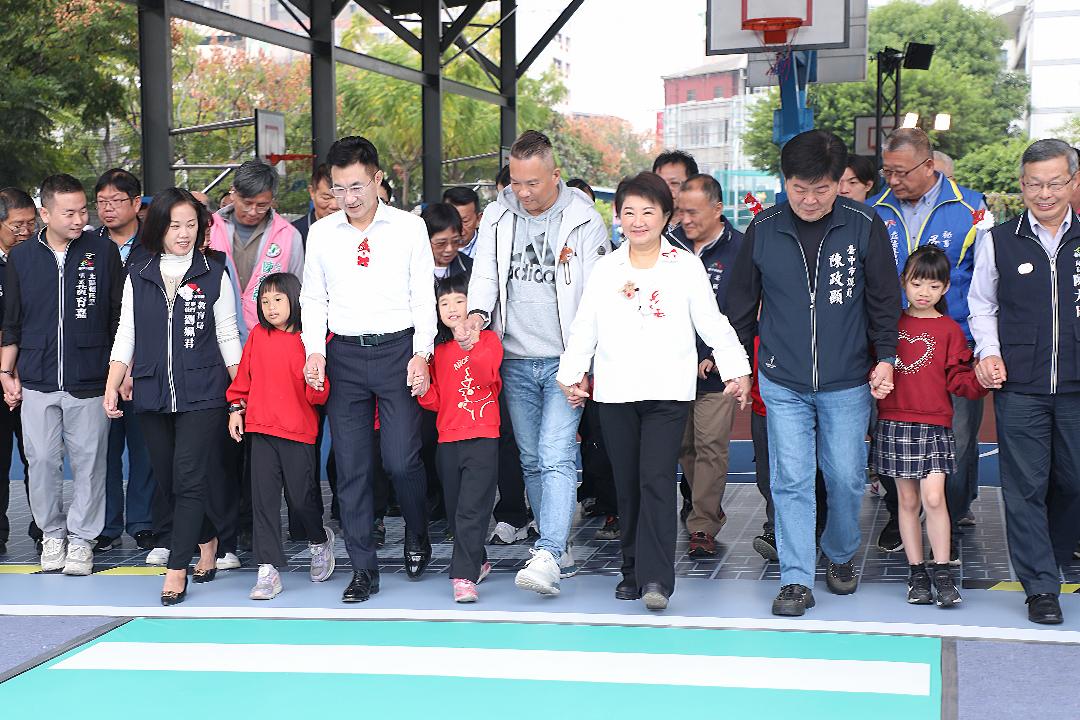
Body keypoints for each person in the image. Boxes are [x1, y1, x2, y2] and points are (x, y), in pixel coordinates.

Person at [557, 172, 751, 610]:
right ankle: (631, 570)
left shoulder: (684, 266)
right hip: (616, 392)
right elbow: (586, 326)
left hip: (668, 392)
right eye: (629, 212)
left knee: (657, 481)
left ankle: (657, 578)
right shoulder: (607, 268)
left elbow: (712, 322)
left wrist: (737, 369)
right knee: (627, 485)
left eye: (648, 211)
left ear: (666, 216)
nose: (638, 220)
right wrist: (572, 373)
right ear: (618, 216)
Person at [727, 130, 901, 617]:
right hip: (782, 379)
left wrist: (886, 356)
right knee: (791, 480)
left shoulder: (863, 224)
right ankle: (795, 578)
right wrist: (740, 367)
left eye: (821, 189)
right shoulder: (764, 227)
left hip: (847, 379)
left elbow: (884, 299)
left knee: (845, 477)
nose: (808, 200)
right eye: (798, 189)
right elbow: (740, 305)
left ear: (839, 182)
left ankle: (840, 552)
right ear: (785, 182)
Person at [461, 130, 610, 596]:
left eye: (532, 183)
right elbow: (485, 274)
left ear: (555, 175)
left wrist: (584, 363)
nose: (522, 193)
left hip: (565, 362)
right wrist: (477, 315)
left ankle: (547, 550)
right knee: (530, 457)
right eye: (516, 182)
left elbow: (596, 298)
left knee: (555, 453)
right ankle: (556, 547)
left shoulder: (585, 220)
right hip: (515, 359)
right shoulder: (497, 214)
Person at [301, 135, 437, 603]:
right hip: (344, 356)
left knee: (401, 459)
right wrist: (314, 351)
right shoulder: (322, 233)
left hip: (399, 352)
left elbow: (423, 295)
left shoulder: (408, 228)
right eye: (338, 189)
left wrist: (422, 352)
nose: (348, 198)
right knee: (352, 467)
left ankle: (417, 530)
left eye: (357, 186)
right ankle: (363, 569)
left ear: (378, 179)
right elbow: (313, 298)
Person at [104, 187, 242, 605]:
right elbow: (126, 332)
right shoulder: (138, 271)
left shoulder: (214, 271)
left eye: (191, 225)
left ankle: (177, 567)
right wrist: (112, 382)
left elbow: (228, 335)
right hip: (151, 392)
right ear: (159, 228)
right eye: (175, 225)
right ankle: (207, 537)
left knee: (189, 477)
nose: (184, 233)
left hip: (203, 393)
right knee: (168, 482)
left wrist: (239, 394)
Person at [969, 138, 1080, 625]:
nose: (1045, 194)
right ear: (1021, 186)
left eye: (1055, 183)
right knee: (1024, 487)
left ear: (1073, 182)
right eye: (1034, 184)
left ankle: (1052, 553)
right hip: (1020, 385)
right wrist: (989, 352)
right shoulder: (999, 239)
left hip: (1077, 384)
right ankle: (1040, 586)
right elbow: (982, 304)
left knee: (1073, 480)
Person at [869, 128, 989, 559]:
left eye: (901, 172)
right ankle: (898, 514)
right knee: (891, 434)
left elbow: (986, 279)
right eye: (887, 171)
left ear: (929, 165)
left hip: (953, 344)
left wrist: (983, 346)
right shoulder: (875, 210)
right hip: (894, 346)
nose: (892, 180)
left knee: (957, 440)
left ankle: (950, 519)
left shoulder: (971, 208)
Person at [0, 175, 123, 576]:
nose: (79, 219)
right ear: (45, 213)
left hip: (90, 376)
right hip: (36, 376)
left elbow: (118, 316)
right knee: (40, 461)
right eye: (69, 213)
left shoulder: (102, 251)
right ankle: (52, 534)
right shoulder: (22, 257)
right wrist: (6, 371)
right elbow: (12, 322)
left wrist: (119, 372)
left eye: (83, 211)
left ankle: (83, 539)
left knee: (90, 463)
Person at [872, 246, 987, 608]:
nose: (924, 292)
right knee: (907, 501)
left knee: (934, 498)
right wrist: (874, 382)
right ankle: (916, 572)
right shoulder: (889, 326)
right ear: (903, 282)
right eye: (916, 283)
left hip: (935, 425)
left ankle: (942, 571)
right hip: (895, 422)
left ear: (946, 288)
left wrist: (982, 380)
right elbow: (873, 367)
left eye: (934, 286)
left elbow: (959, 379)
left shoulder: (950, 330)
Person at [226, 272, 335, 600]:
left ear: (295, 301)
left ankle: (319, 541)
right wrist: (236, 409)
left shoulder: (311, 340)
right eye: (264, 301)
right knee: (263, 501)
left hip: (299, 431)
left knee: (302, 500)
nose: (270, 307)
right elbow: (243, 380)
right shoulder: (258, 335)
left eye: (277, 300)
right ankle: (268, 570)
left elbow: (320, 394)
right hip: (260, 429)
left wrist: (316, 384)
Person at [668, 174, 744, 557]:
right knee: (685, 446)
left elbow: (744, 311)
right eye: (681, 211)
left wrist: (719, 355)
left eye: (693, 212)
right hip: (674, 369)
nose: (685, 219)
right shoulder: (668, 246)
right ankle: (708, 507)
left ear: (717, 209)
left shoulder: (740, 250)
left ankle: (702, 525)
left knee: (711, 445)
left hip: (718, 372)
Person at [418, 274, 503, 602]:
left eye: (460, 300)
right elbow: (436, 401)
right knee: (456, 512)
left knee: (471, 510)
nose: (452, 308)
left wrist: (471, 345)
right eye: (444, 303)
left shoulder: (489, 341)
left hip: (482, 436)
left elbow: (486, 377)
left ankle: (463, 576)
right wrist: (423, 390)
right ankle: (478, 561)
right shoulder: (437, 350)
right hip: (448, 441)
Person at [93, 168, 156, 554]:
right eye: (101, 202)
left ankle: (144, 522)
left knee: (144, 447)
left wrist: (132, 365)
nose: (108, 209)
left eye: (116, 201)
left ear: (136, 203)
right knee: (104, 448)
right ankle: (107, 524)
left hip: (144, 363)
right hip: (97, 364)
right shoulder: (88, 246)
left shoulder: (154, 246)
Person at [209, 159, 305, 343]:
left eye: (262, 205)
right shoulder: (209, 229)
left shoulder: (289, 236)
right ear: (233, 192)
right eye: (247, 203)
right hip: (215, 336)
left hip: (269, 339)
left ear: (272, 200)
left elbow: (297, 293)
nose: (253, 211)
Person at [0, 187, 39, 555]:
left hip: (35, 374)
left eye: (31, 223)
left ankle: (44, 529)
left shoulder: (39, 259)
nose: (25, 231)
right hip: (3, 375)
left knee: (39, 457)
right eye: (17, 225)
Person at [291, 163, 339, 247]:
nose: (334, 205)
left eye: (340, 197)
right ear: (312, 192)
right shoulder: (294, 232)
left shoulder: (358, 230)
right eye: (326, 198)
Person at [423, 203, 472, 282]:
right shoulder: (411, 269)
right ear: (425, 240)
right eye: (441, 243)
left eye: (455, 241)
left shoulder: (472, 268)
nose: (449, 249)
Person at [653, 150, 698, 230]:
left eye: (674, 183)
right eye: (660, 182)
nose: (666, 189)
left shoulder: (705, 228)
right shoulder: (642, 227)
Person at [442, 187, 481, 258]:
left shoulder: (492, 248)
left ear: (478, 219)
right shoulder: (431, 248)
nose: (458, 228)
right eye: (452, 220)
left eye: (465, 221)